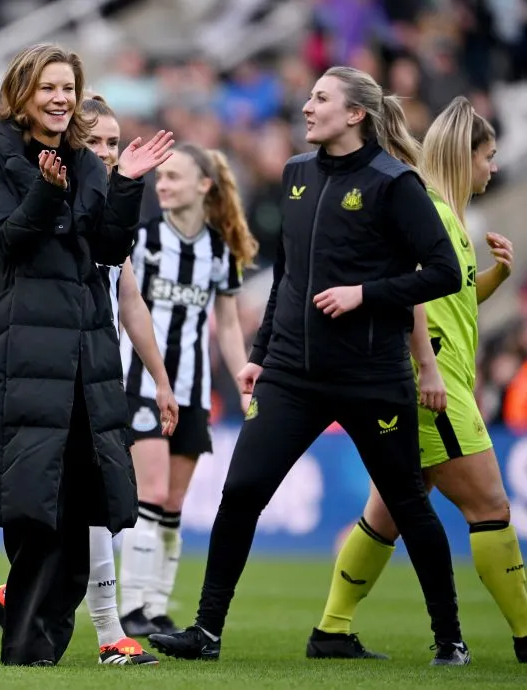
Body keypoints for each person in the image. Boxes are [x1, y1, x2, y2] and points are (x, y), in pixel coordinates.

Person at [147, 65, 472, 666]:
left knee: (407, 504)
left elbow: (443, 273)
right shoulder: (296, 176)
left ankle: (449, 638)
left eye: (321, 98)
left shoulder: (395, 182)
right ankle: (206, 632)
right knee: (241, 490)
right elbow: (288, 282)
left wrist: (365, 294)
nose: (307, 106)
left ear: (355, 115)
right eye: (310, 96)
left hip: (372, 377)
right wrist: (260, 356)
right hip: (293, 375)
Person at [0, 93, 177, 665]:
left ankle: (23, 601)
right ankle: (108, 632)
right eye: (97, 142)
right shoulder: (34, 179)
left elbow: (128, 296)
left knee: (92, 503)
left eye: (114, 143)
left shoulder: (104, 199)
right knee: (71, 505)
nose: (106, 152)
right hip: (47, 362)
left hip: (95, 364)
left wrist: (160, 378)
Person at [309, 97, 525, 663]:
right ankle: (526, 637)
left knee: (387, 513)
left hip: (428, 382)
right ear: (467, 156)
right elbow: (410, 296)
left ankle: (331, 631)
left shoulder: (449, 218)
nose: (494, 168)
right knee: (491, 509)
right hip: (434, 387)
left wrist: (497, 276)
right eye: (489, 156)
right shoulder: (426, 209)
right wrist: (427, 370)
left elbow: (450, 301)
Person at [117, 143, 258, 637]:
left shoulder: (220, 250)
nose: (163, 184)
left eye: (174, 176)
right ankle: (131, 604)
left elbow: (228, 326)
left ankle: (154, 606)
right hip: (140, 383)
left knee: (173, 506)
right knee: (151, 493)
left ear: (204, 185)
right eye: (161, 177)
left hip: (194, 390)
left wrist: (244, 378)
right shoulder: (144, 238)